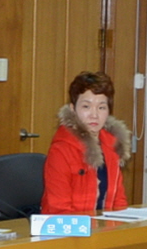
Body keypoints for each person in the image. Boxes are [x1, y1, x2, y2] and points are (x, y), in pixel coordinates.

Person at [41, 71, 134, 215]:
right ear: (73, 109)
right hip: (70, 226)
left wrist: (122, 224)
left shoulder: (112, 144)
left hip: (104, 226)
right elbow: (59, 209)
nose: (94, 115)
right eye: (86, 106)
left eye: (101, 107)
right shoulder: (61, 150)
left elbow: (119, 202)